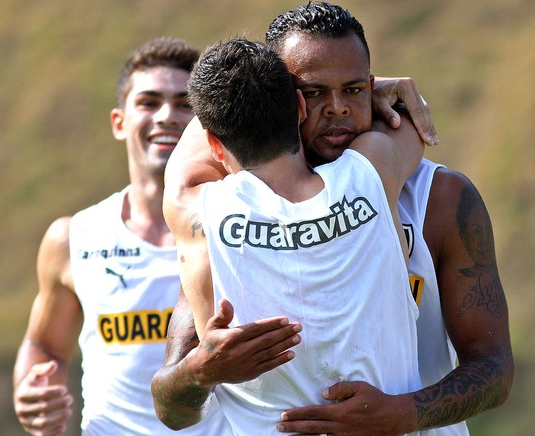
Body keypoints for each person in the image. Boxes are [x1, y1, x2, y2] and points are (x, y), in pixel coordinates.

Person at [152, 2, 513, 435]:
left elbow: (495, 369)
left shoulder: (439, 199)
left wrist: (405, 413)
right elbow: (171, 408)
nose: (338, 108)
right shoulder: (231, 224)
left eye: (355, 89)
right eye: (315, 91)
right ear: (286, 101)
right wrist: (198, 373)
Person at [163, 36, 429, 435]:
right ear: (302, 108)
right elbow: (407, 120)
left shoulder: (194, 206)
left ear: (216, 144)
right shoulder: (372, 170)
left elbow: (194, 144)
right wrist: (363, 89)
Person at [11, 38, 230, 436]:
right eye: (148, 102)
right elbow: (44, 346)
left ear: (207, 122)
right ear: (119, 122)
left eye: (185, 104)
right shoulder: (72, 238)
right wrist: (31, 391)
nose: (166, 115)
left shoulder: (241, 227)